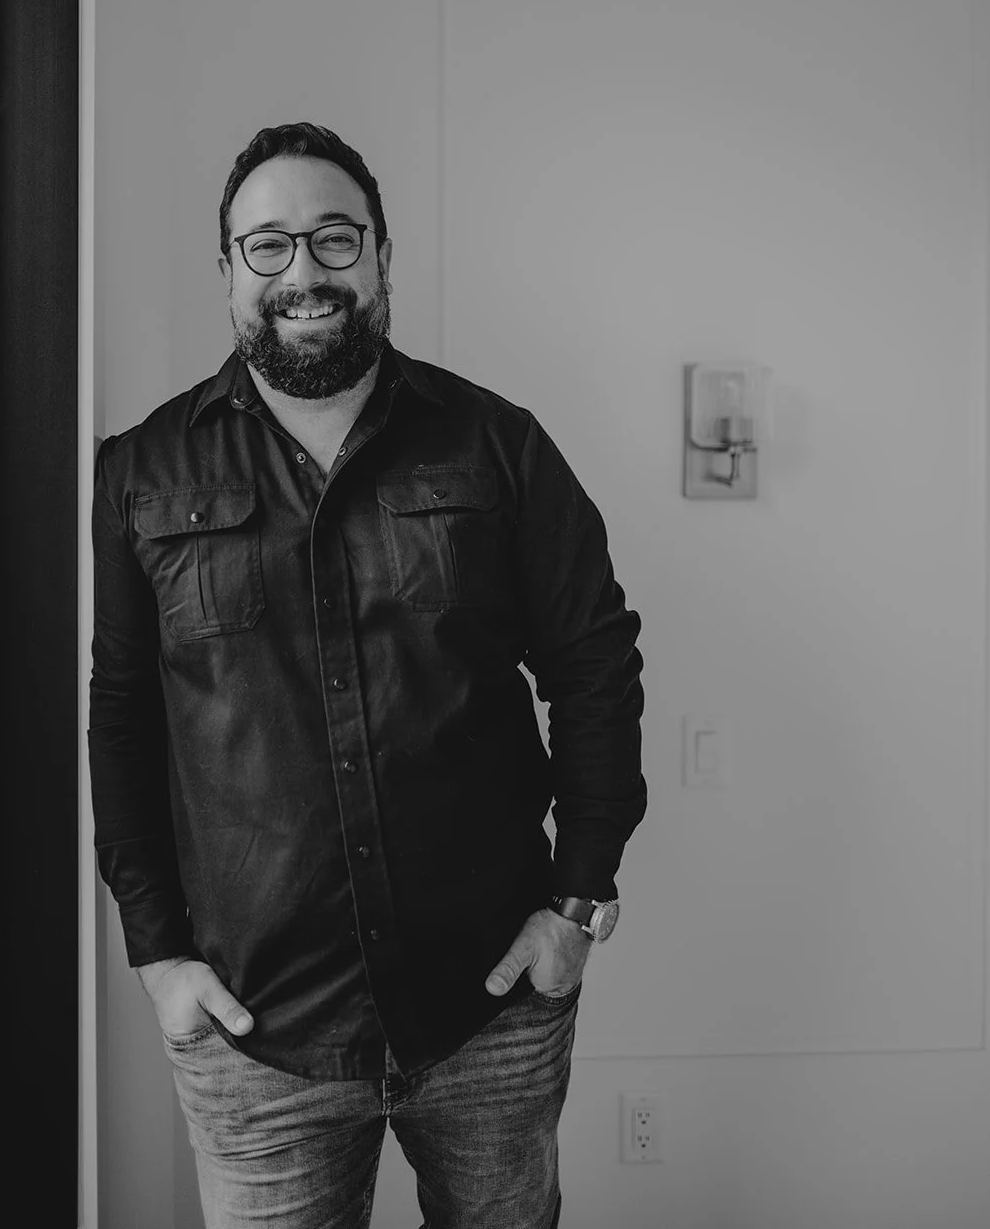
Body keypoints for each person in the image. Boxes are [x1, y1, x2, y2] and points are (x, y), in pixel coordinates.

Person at [89, 121, 646, 1229]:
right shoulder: (139, 472)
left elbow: (592, 664)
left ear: (383, 257)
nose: (303, 270)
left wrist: (575, 902)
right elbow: (121, 716)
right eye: (269, 245)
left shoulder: (498, 446)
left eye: (334, 239)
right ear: (228, 271)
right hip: (258, 1033)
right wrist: (157, 955)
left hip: (488, 1006)